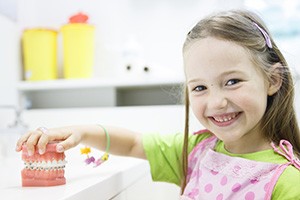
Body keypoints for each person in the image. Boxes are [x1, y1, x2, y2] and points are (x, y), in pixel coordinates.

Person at [16, 9, 300, 199]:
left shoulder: (287, 182)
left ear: (272, 80)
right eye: (199, 87)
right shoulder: (197, 152)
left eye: (233, 81)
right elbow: (131, 144)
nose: (216, 102)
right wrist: (78, 132)